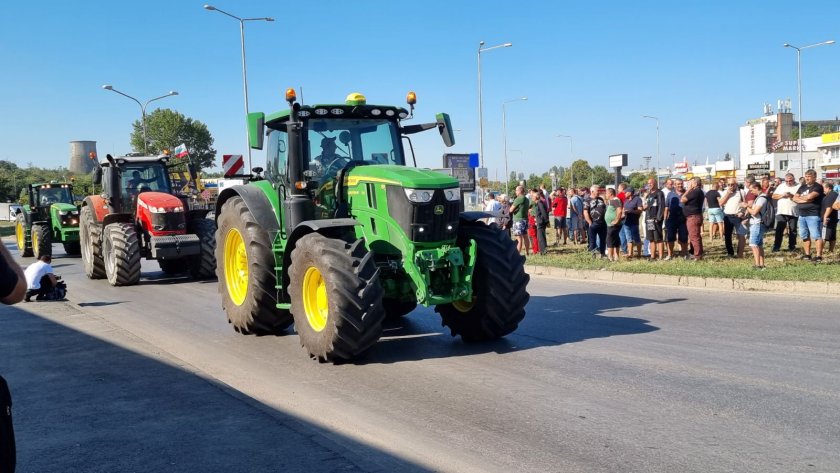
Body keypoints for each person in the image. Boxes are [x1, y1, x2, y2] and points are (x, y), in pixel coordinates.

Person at [793, 169, 825, 262]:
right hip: (802, 214)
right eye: (806, 176)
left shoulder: (818, 187)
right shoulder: (802, 187)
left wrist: (804, 198)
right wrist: (805, 199)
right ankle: (807, 254)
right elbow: (794, 198)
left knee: (816, 235)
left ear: (814, 177)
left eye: (809, 177)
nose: (807, 178)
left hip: (813, 214)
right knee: (804, 235)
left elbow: (810, 197)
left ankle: (819, 256)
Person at [772, 173, 799, 253]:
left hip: (793, 211)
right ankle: (776, 246)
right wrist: (782, 195)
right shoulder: (781, 186)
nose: (788, 182)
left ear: (794, 179)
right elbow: (774, 196)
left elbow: (800, 197)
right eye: (787, 181)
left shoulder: (798, 186)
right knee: (779, 229)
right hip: (781, 211)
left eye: (790, 181)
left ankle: (792, 246)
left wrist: (791, 196)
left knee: (793, 230)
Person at [720, 177, 747, 258]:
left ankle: (739, 253)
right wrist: (728, 194)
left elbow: (745, 203)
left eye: (732, 184)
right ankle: (730, 253)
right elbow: (721, 203)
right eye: (729, 185)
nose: (731, 186)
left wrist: (742, 212)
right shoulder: (725, 192)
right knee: (728, 235)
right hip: (727, 216)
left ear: (736, 184)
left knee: (741, 235)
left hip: (737, 216)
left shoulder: (741, 192)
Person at [681, 177, 705, 261]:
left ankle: (697, 255)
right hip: (696, 215)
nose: (688, 185)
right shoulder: (700, 191)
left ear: (695, 183)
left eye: (690, 183)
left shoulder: (695, 191)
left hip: (693, 217)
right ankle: (699, 253)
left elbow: (682, 199)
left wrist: (688, 190)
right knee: (696, 236)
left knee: (694, 237)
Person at [746, 182, 768, 269]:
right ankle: (762, 265)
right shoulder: (761, 197)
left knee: (753, 244)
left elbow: (754, 212)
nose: (751, 192)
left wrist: (746, 206)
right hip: (759, 223)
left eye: (751, 190)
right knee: (759, 245)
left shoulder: (761, 198)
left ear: (756, 188)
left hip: (757, 223)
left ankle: (757, 265)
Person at [664, 178, 688, 260]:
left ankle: (684, 254)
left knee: (684, 238)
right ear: (674, 185)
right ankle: (670, 255)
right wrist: (665, 220)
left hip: (683, 219)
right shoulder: (670, 194)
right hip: (672, 219)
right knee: (670, 238)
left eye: (681, 183)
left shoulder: (687, 193)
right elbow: (666, 207)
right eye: (678, 184)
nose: (680, 185)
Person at [643, 178, 666, 260]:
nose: (649, 184)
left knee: (658, 239)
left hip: (656, 219)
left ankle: (660, 256)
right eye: (648, 183)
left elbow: (661, 206)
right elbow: (647, 206)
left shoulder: (659, 193)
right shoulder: (649, 194)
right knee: (651, 239)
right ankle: (653, 256)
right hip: (649, 219)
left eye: (651, 183)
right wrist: (644, 207)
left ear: (655, 183)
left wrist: (658, 218)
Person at [584, 185, 607, 258]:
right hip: (593, 223)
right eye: (597, 190)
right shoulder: (587, 200)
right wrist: (590, 222)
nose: (599, 192)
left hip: (602, 223)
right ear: (592, 191)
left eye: (599, 190)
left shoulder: (601, 199)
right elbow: (585, 212)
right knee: (592, 240)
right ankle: (592, 255)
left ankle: (602, 254)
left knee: (603, 240)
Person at [621, 187, 643, 258]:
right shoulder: (626, 201)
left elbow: (640, 210)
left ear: (630, 193)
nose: (624, 194)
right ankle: (630, 254)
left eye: (626, 192)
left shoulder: (637, 199)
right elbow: (623, 210)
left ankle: (639, 254)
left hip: (634, 222)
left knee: (636, 238)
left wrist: (631, 211)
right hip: (626, 222)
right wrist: (623, 214)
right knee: (628, 238)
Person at [604, 187, 624, 262]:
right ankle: (616, 256)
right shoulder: (612, 201)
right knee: (615, 240)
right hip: (611, 224)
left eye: (606, 193)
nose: (606, 194)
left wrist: (616, 220)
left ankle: (610, 257)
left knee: (609, 240)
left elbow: (619, 211)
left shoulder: (615, 200)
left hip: (613, 225)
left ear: (610, 194)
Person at [509, 186, 530, 255]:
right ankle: (527, 252)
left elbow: (511, 210)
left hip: (518, 220)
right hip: (525, 219)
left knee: (519, 238)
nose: (515, 192)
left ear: (520, 191)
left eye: (516, 190)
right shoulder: (527, 199)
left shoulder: (519, 199)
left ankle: (518, 254)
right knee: (525, 236)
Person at [530, 188, 549, 255]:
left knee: (541, 237)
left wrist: (543, 221)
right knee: (540, 237)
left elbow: (544, 213)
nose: (532, 198)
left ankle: (543, 251)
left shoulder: (540, 203)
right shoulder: (538, 203)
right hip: (539, 222)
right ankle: (542, 250)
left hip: (540, 223)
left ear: (536, 197)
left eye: (533, 197)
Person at [821, 181, 837, 253]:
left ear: (828, 188)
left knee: (824, 236)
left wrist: (825, 217)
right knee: (832, 236)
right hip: (832, 218)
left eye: (823, 188)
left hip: (828, 218)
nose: (823, 190)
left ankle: (820, 251)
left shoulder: (831, 195)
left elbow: (829, 208)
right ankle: (831, 251)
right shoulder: (833, 194)